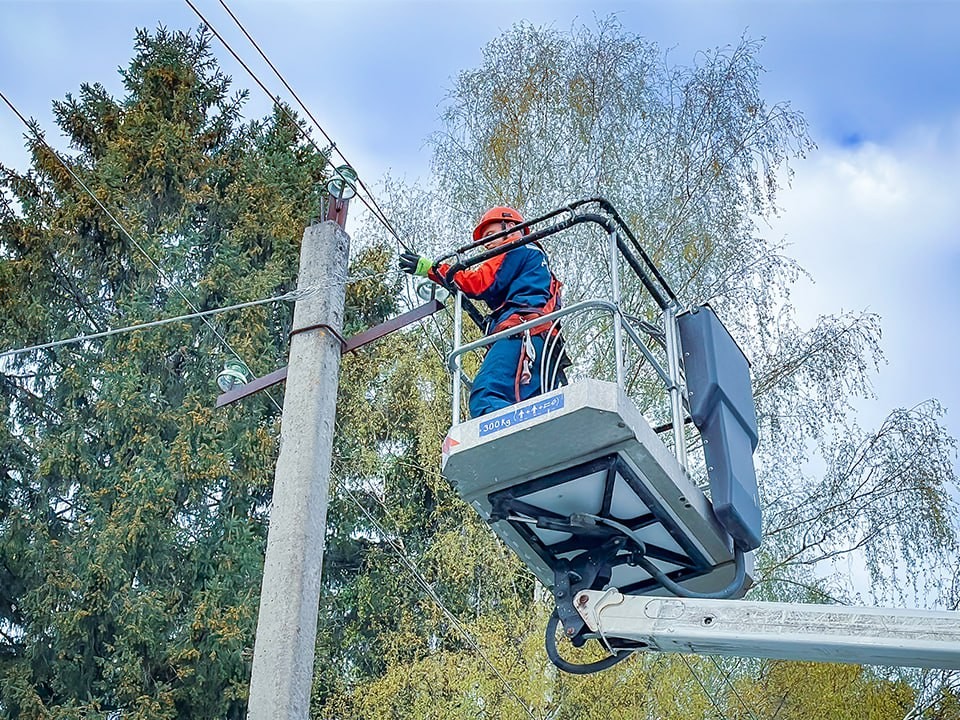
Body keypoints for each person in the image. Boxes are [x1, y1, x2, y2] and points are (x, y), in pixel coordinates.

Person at [400, 205, 568, 417]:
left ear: (511, 227)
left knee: (486, 397)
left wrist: (433, 269)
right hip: (544, 345)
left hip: (521, 334)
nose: (486, 244)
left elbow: (480, 283)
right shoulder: (535, 264)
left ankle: (508, 437)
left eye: (490, 235)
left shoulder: (516, 248)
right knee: (531, 408)